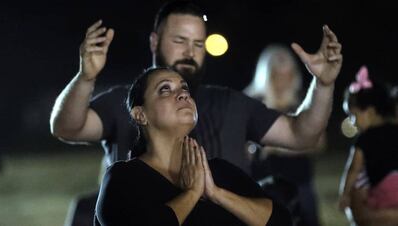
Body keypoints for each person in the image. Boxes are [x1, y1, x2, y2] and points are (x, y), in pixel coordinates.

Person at [50, 0, 342, 223]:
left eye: (198, 43)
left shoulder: (231, 110)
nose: (190, 51)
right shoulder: (121, 121)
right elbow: (66, 127)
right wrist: (85, 77)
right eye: (179, 41)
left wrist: (324, 84)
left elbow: (301, 134)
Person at [95, 67, 292, 226]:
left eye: (184, 88)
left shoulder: (219, 172)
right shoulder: (123, 178)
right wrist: (191, 195)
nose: (182, 94)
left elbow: (281, 221)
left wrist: (216, 194)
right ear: (140, 114)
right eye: (165, 89)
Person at [244, 44, 324, 226]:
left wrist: (276, 147)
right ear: (266, 75)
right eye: (277, 75)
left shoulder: (303, 102)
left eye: (287, 74)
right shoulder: (252, 103)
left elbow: (319, 142)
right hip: (262, 184)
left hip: (299, 182)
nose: (283, 81)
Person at [338, 66, 398, 226]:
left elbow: (353, 169)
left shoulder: (364, 140)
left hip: (384, 192)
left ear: (370, 112)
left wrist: (344, 194)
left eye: (353, 115)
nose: (352, 121)